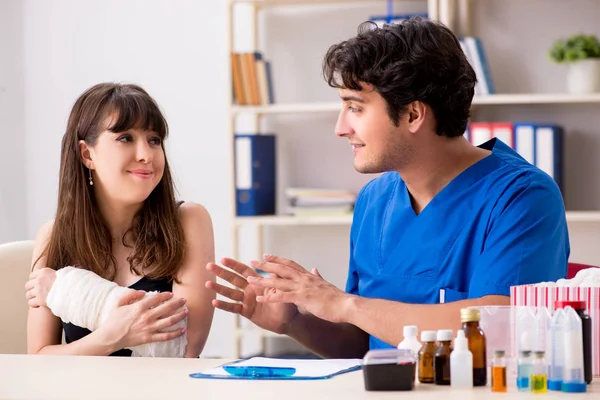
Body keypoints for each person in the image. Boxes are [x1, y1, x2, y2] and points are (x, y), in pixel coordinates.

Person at [205, 18, 570, 358]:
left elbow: (498, 333)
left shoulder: (523, 198)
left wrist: (343, 303)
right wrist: (293, 321)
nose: (341, 127)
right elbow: (364, 343)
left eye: (356, 107)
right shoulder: (375, 201)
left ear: (413, 115)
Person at [24, 82, 216, 357]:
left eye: (154, 140)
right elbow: (39, 357)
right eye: (125, 138)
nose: (146, 155)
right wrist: (111, 336)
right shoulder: (54, 236)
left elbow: (183, 351)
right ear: (87, 154)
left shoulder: (189, 221)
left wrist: (76, 298)